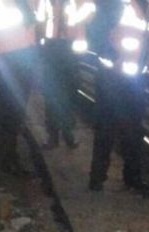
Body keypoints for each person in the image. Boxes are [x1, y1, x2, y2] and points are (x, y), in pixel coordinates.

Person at [87, 0, 149, 192]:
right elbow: (97, 35)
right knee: (106, 128)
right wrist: (113, 60)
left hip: (135, 79)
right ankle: (97, 178)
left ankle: (132, 178)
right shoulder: (112, 5)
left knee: (134, 131)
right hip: (112, 77)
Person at [0, 0, 40, 186]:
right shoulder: (1, 4)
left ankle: (8, 160)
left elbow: (30, 31)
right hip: (5, 64)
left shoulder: (26, 3)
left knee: (14, 116)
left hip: (23, 63)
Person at [38, 0, 95, 149]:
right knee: (51, 94)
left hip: (69, 48)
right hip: (51, 48)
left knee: (70, 94)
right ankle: (53, 135)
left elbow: (90, 14)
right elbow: (40, 21)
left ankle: (68, 132)